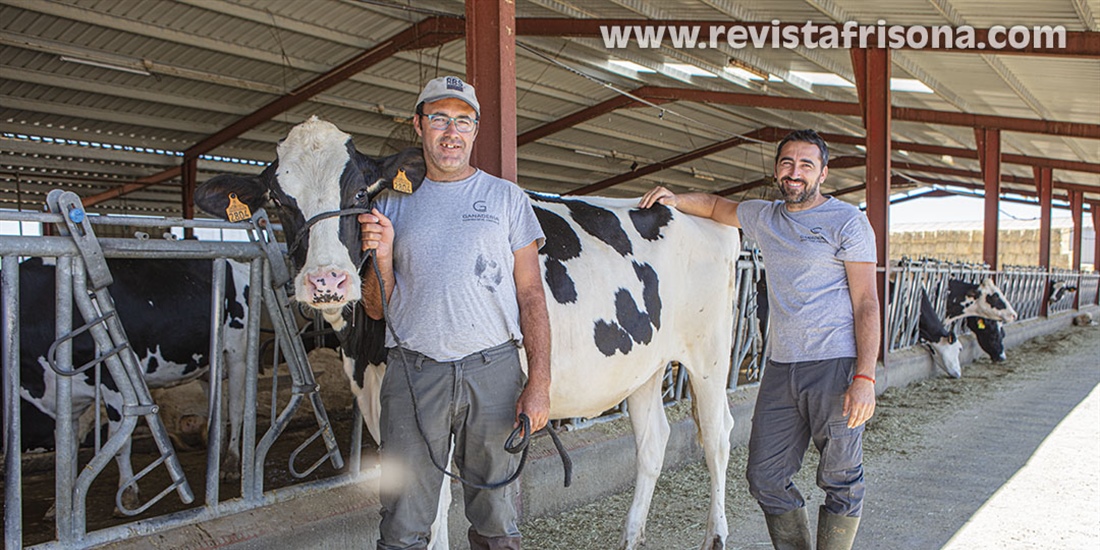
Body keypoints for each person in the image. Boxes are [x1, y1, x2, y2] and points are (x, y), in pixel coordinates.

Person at [640, 129, 879, 550]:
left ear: (824, 173)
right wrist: (675, 199)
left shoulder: (847, 222)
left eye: (806, 165)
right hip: (783, 367)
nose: (795, 173)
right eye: (787, 163)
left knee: (840, 477)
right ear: (776, 170)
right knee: (765, 475)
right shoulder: (766, 216)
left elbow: (866, 303)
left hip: (835, 364)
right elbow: (716, 206)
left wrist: (865, 377)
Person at [358, 76, 551, 550]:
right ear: (419, 125)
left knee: (497, 517)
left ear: (475, 130)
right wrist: (381, 257)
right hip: (412, 372)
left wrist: (540, 382)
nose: (451, 132)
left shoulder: (508, 199)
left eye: (463, 121)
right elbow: (376, 307)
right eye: (440, 119)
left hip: (494, 369)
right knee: (403, 518)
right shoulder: (389, 202)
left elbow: (531, 296)